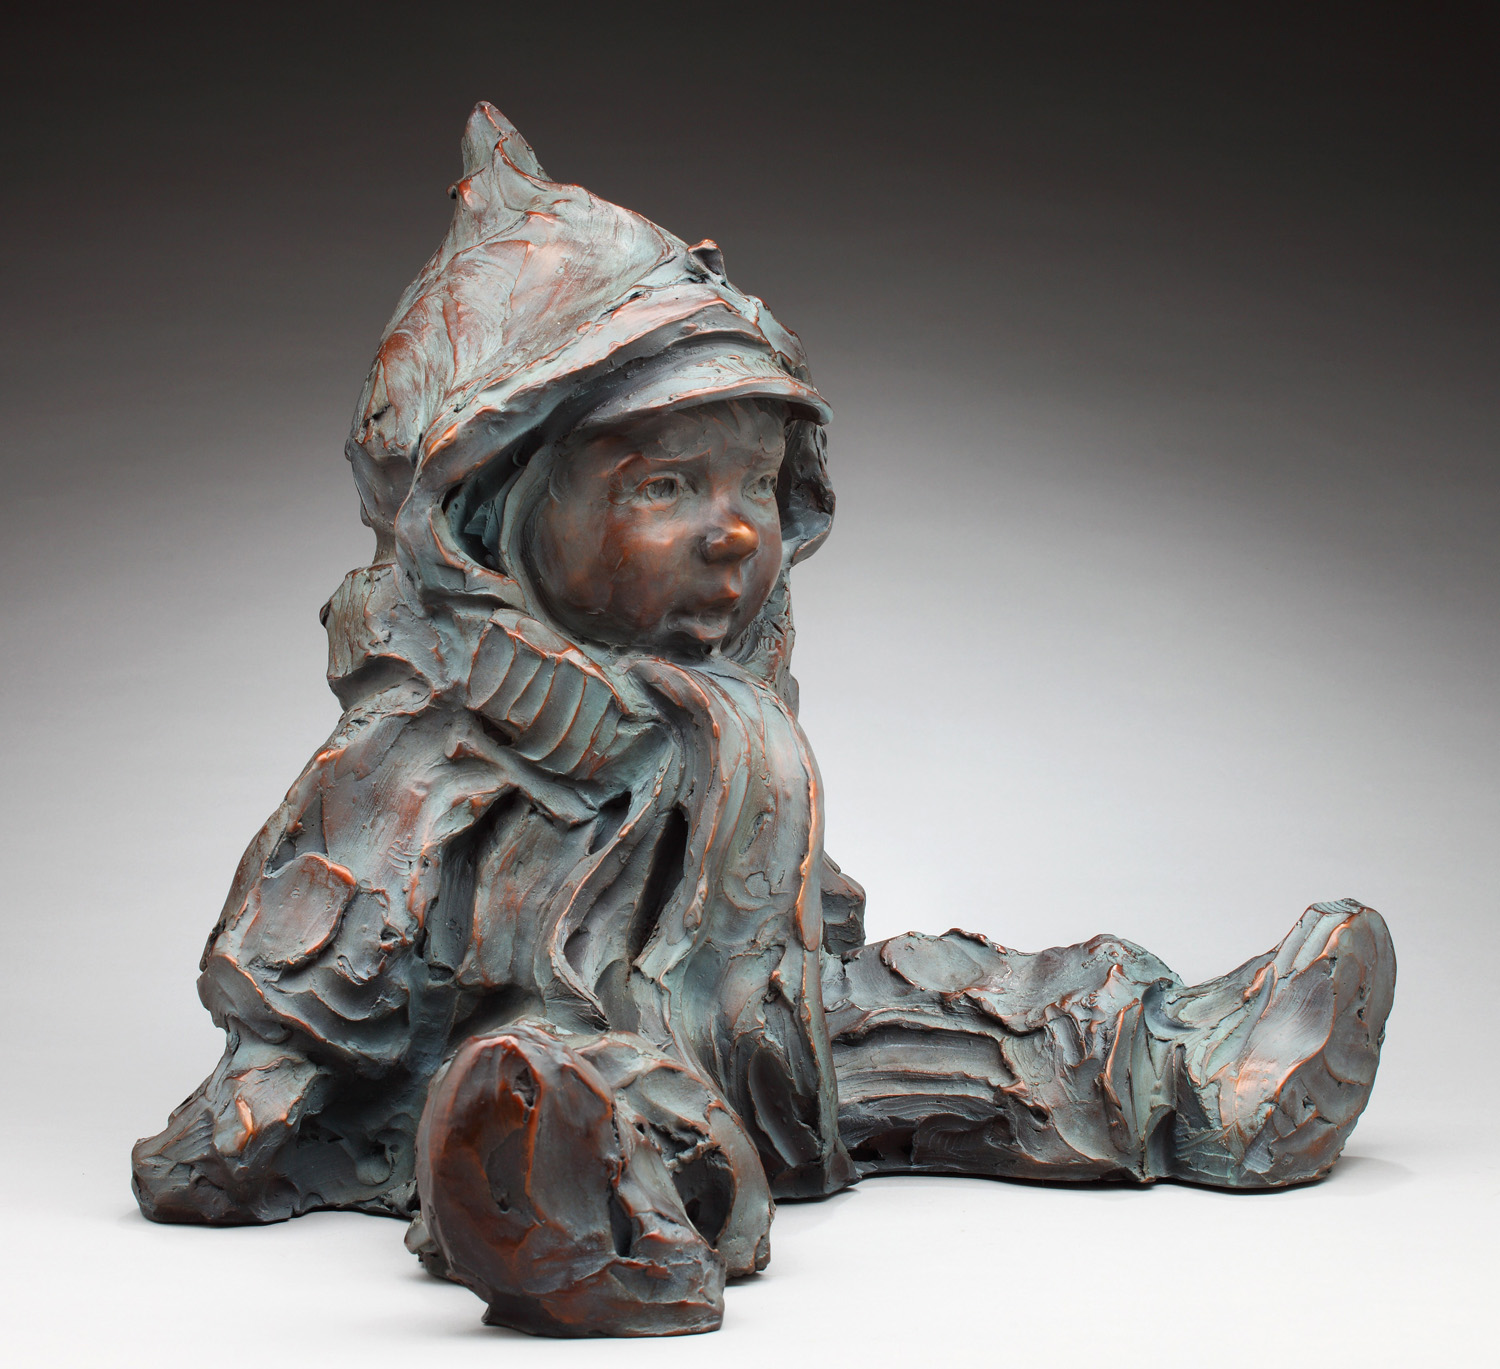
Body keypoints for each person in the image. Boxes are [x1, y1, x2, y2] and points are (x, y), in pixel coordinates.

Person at [133, 103, 1395, 1338]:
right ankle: (567, 1216)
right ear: (490, 515)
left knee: (950, 1009)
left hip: (772, 1035)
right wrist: (262, 1096)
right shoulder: (428, 741)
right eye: (669, 485)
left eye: (754, 482)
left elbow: (786, 906)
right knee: (555, 1096)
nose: (735, 530)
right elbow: (323, 937)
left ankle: (1193, 1072)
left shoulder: (724, 714)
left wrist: (814, 948)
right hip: (557, 1053)